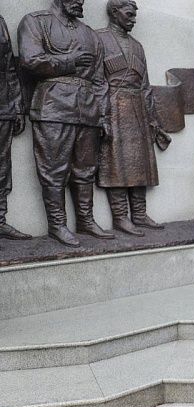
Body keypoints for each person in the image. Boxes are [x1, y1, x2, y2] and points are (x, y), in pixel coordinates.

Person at [18, 0, 114, 247]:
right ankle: (57, 225)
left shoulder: (90, 34)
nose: (81, 1)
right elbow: (30, 60)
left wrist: (102, 115)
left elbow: (100, 80)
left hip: (88, 110)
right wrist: (69, 61)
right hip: (53, 106)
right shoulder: (35, 21)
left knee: (86, 169)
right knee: (53, 170)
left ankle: (85, 220)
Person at [96, 0, 171, 236]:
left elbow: (146, 86)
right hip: (113, 106)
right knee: (116, 162)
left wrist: (153, 119)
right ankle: (120, 217)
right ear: (114, 12)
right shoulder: (98, 39)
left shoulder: (138, 46)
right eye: (129, 14)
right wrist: (101, 115)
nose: (133, 19)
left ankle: (139, 214)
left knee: (140, 162)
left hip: (138, 109)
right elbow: (96, 81)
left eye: (134, 15)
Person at [0, 13, 31, 240]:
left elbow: (10, 66)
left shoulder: (0, 21)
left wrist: (18, 106)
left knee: (2, 167)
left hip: (3, 107)